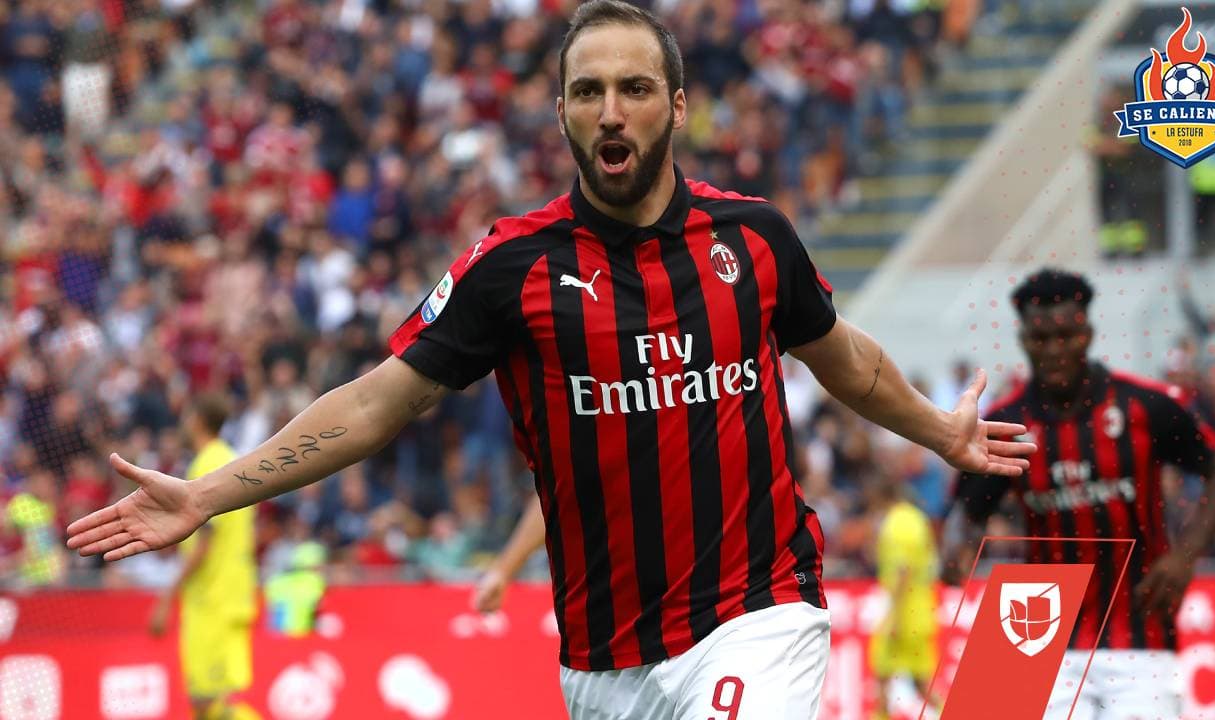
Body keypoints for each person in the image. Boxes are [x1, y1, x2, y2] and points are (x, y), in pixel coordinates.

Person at [67, 3, 1034, 718]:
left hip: (758, 611)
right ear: (561, 111)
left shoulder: (754, 240)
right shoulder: (511, 267)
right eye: (589, 91)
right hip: (602, 662)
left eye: (635, 89)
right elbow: (373, 406)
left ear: (677, 107)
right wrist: (210, 494)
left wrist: (939, 431)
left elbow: (846, 360)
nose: (612, 111)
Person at [943, 268, 1215, 720]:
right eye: (1041, 339)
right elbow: (966, 512)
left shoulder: (1146, 405)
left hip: (1138, 630)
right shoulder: (1006, 424)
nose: (1054, 350)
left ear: (1087, 334)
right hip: (1032, 633)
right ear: (1024, 340)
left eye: (1065, 336)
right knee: (978, 709)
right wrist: (955, 549)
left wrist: (1186, 554)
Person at [147, 393, 261, 720]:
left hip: (213, 599)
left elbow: (204, 543)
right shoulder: (232, 460)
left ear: (197, 420)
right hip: (230, 593)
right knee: (208, 701)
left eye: (186, 416)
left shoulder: (207, 466)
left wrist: (167, 596)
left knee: (209, 702)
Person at [866, 477, 942, 720]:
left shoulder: (896, 524)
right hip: (921, 611)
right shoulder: (917, 519)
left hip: (903, 614)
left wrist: (895, 617)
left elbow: (902, 571)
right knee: (922, 684)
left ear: (880, 499)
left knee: (882, 679)